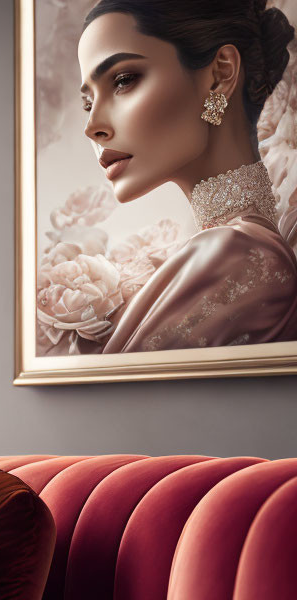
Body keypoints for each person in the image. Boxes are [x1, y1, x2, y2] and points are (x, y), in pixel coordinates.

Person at [77, 0, 297, 353]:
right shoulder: (235, 247)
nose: (92, 127)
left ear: (220, 74)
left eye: (123, 80)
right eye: (88, 103)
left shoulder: (237, 253)